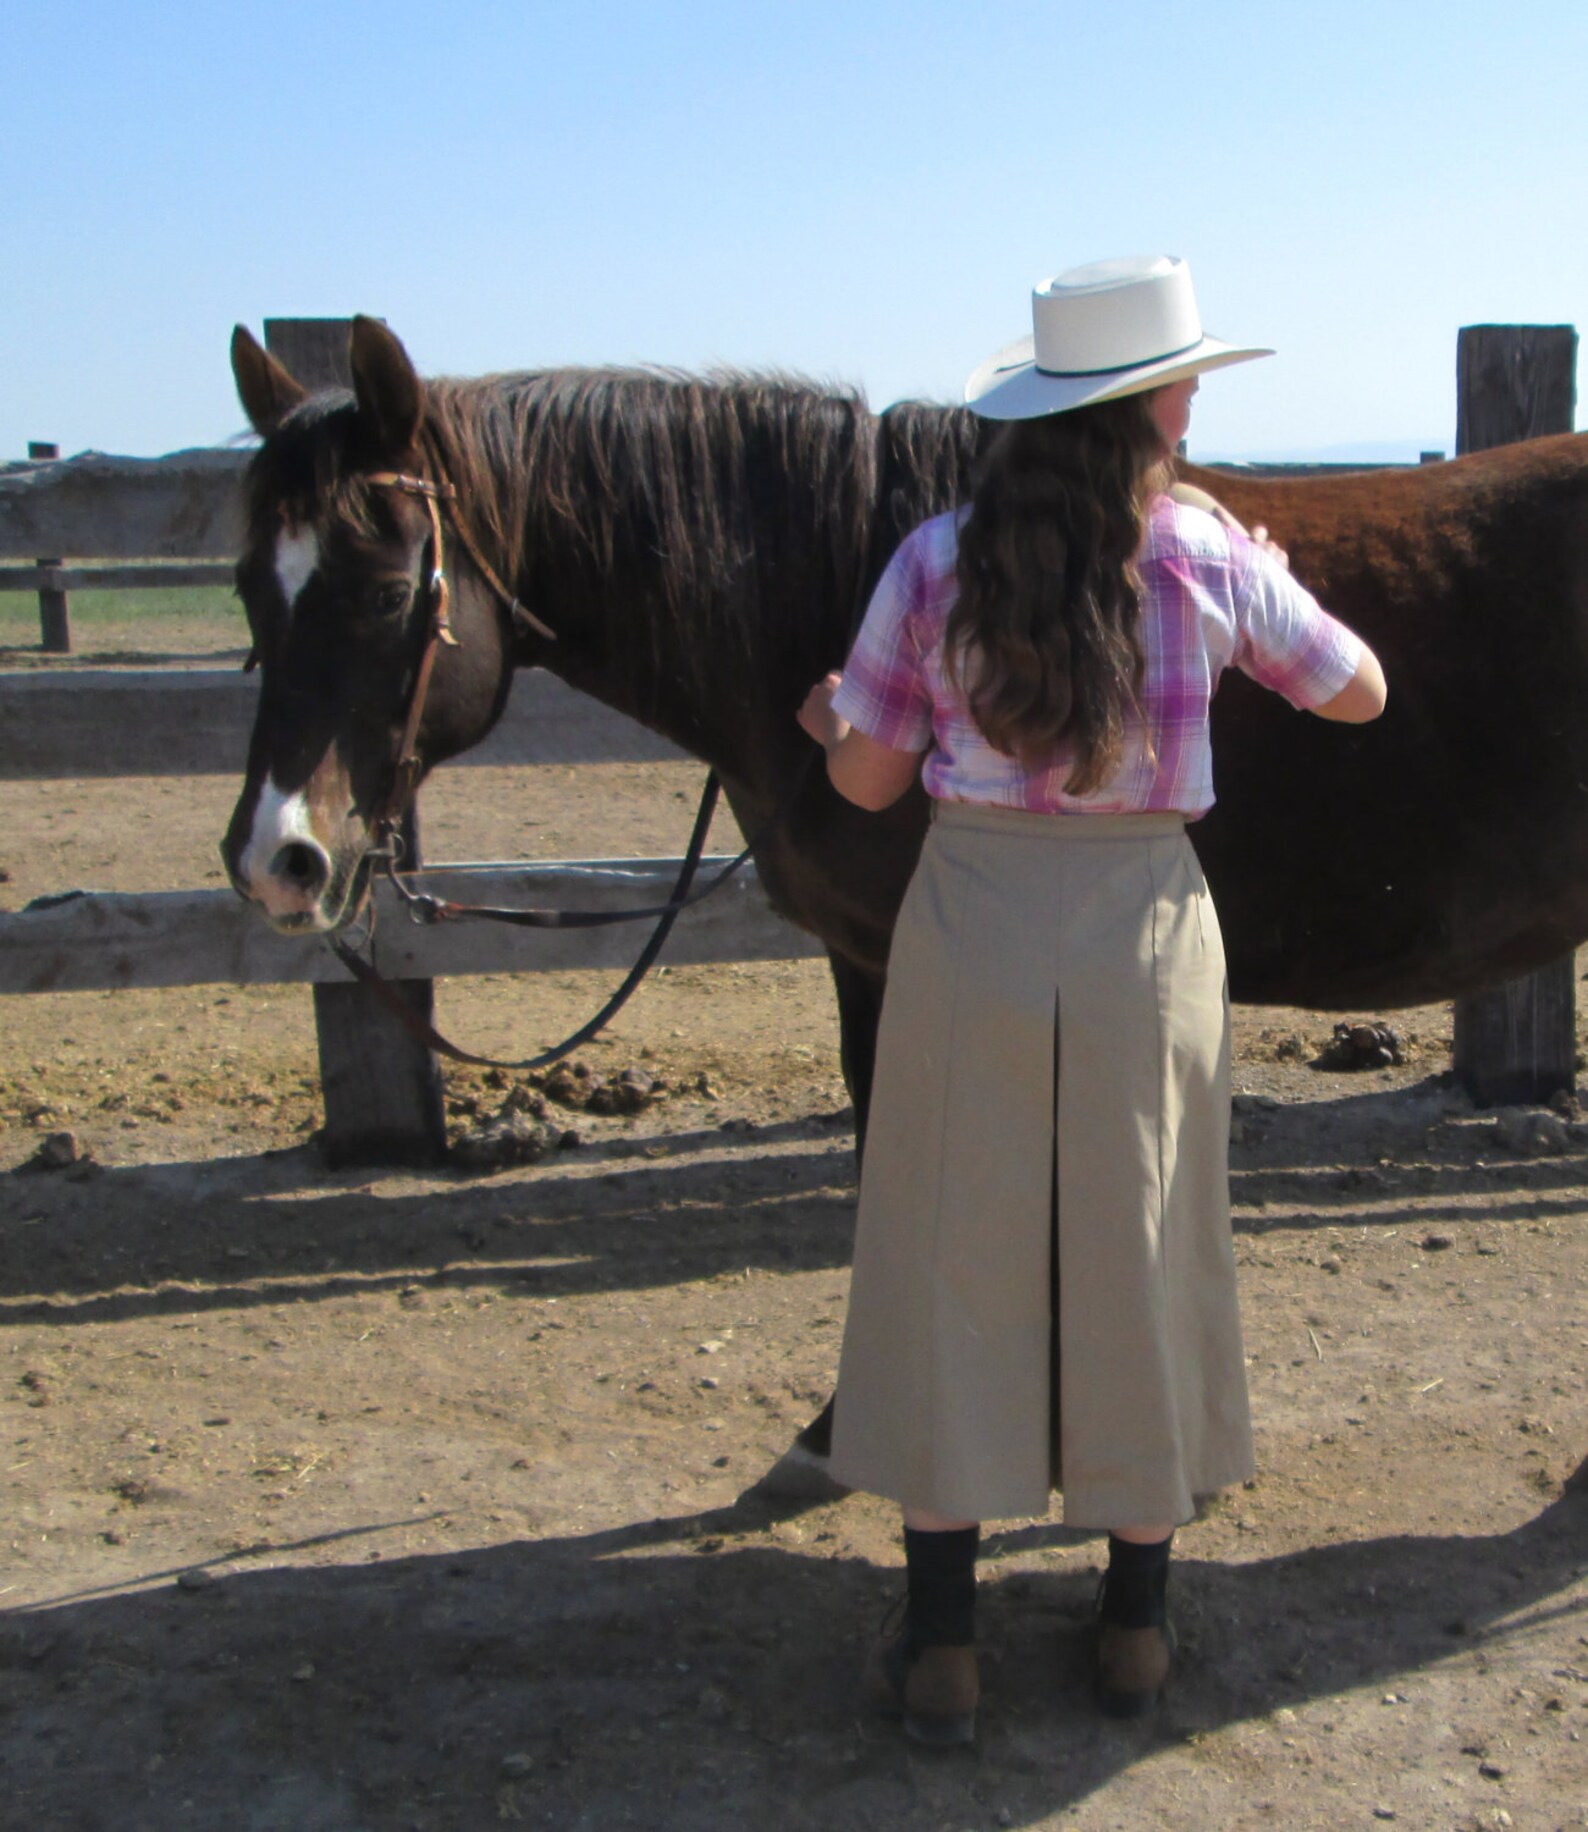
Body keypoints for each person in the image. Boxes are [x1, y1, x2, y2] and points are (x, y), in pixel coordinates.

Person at [797, 255, 1387, 1744]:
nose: (1193, 399)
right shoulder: (1204, 555)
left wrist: (838, 717)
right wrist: (1259, 582)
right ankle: (1134, 1625)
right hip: (1142, 931)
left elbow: (866, 779)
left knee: (956, 1249)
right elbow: (1359, 690)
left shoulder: (936, 560)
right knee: (1144, 1243)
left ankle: (943, 1643)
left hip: (974, 924)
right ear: (1146, 406)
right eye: (1184, 379)